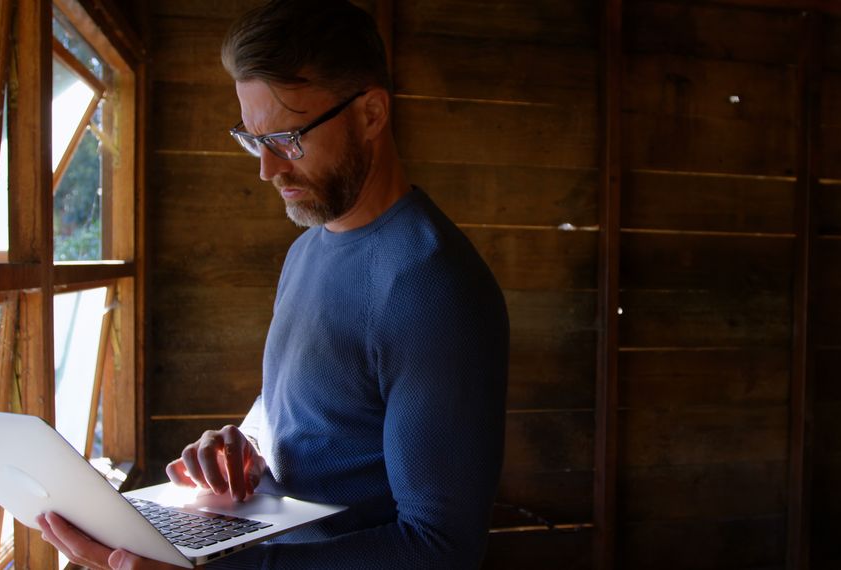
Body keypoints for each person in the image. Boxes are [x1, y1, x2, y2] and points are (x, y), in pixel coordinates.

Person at [37, 1, 510, 567]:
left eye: (287, 138)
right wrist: (246, 446)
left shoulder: (432, 289)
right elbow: (314, 412)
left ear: (372, 115)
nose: (267, 168)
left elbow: (441, 549)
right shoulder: (307, 249)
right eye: (252, 137)